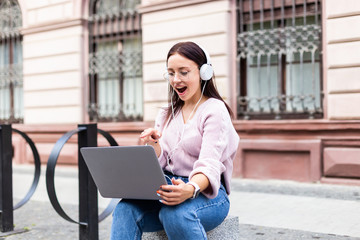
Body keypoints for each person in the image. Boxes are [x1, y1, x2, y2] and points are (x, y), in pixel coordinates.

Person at [110, 41, 239, 240]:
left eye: (183, 72)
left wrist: (189, 189)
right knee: (125, 209)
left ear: (204, 72)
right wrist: (154, 145)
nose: (176, 79)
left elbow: (210, 164)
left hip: (206, 194)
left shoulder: (215, 110)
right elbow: (162, 164)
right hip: (167, 187)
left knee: (176, 213)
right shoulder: (166, 113)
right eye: (171, 73)